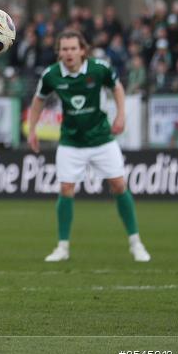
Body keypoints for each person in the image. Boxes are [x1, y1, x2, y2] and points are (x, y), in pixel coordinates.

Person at [27, 29, 150, 263]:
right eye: (64, 49)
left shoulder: (99, 68)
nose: (69, 53)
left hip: (102, 139)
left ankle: (136, 243)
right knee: (66, 189)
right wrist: (32, 129)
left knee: (118, 185)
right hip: (71, 142)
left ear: (82, 50)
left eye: (73, 48)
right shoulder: (51, 75)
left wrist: (121, 115)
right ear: (59, 52)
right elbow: (38, 101)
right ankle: (62, 247)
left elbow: (117, 88)